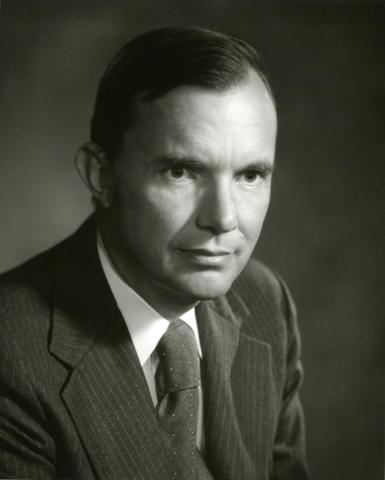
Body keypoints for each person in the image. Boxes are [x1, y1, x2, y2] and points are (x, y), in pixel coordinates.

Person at [0, 26, 308, 479]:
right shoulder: (10, 354)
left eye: (250, 175)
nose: (223, 219)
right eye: (181, 171)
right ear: (101, 175)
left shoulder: (266, 302)